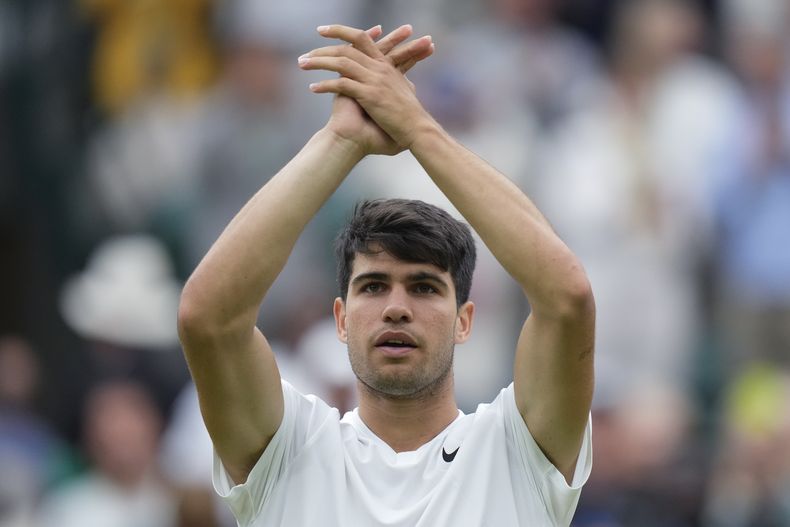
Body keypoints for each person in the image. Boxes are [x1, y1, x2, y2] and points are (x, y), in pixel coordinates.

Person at [177, 23, 595, 526]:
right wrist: (339, 139)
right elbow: (207, 318)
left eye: (424, 286)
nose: (397, 306)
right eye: (373, 286)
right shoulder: (287, 451)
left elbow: (567, 298)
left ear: (465, 320)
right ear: (341, 318)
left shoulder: (519, 450)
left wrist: (418, 128)